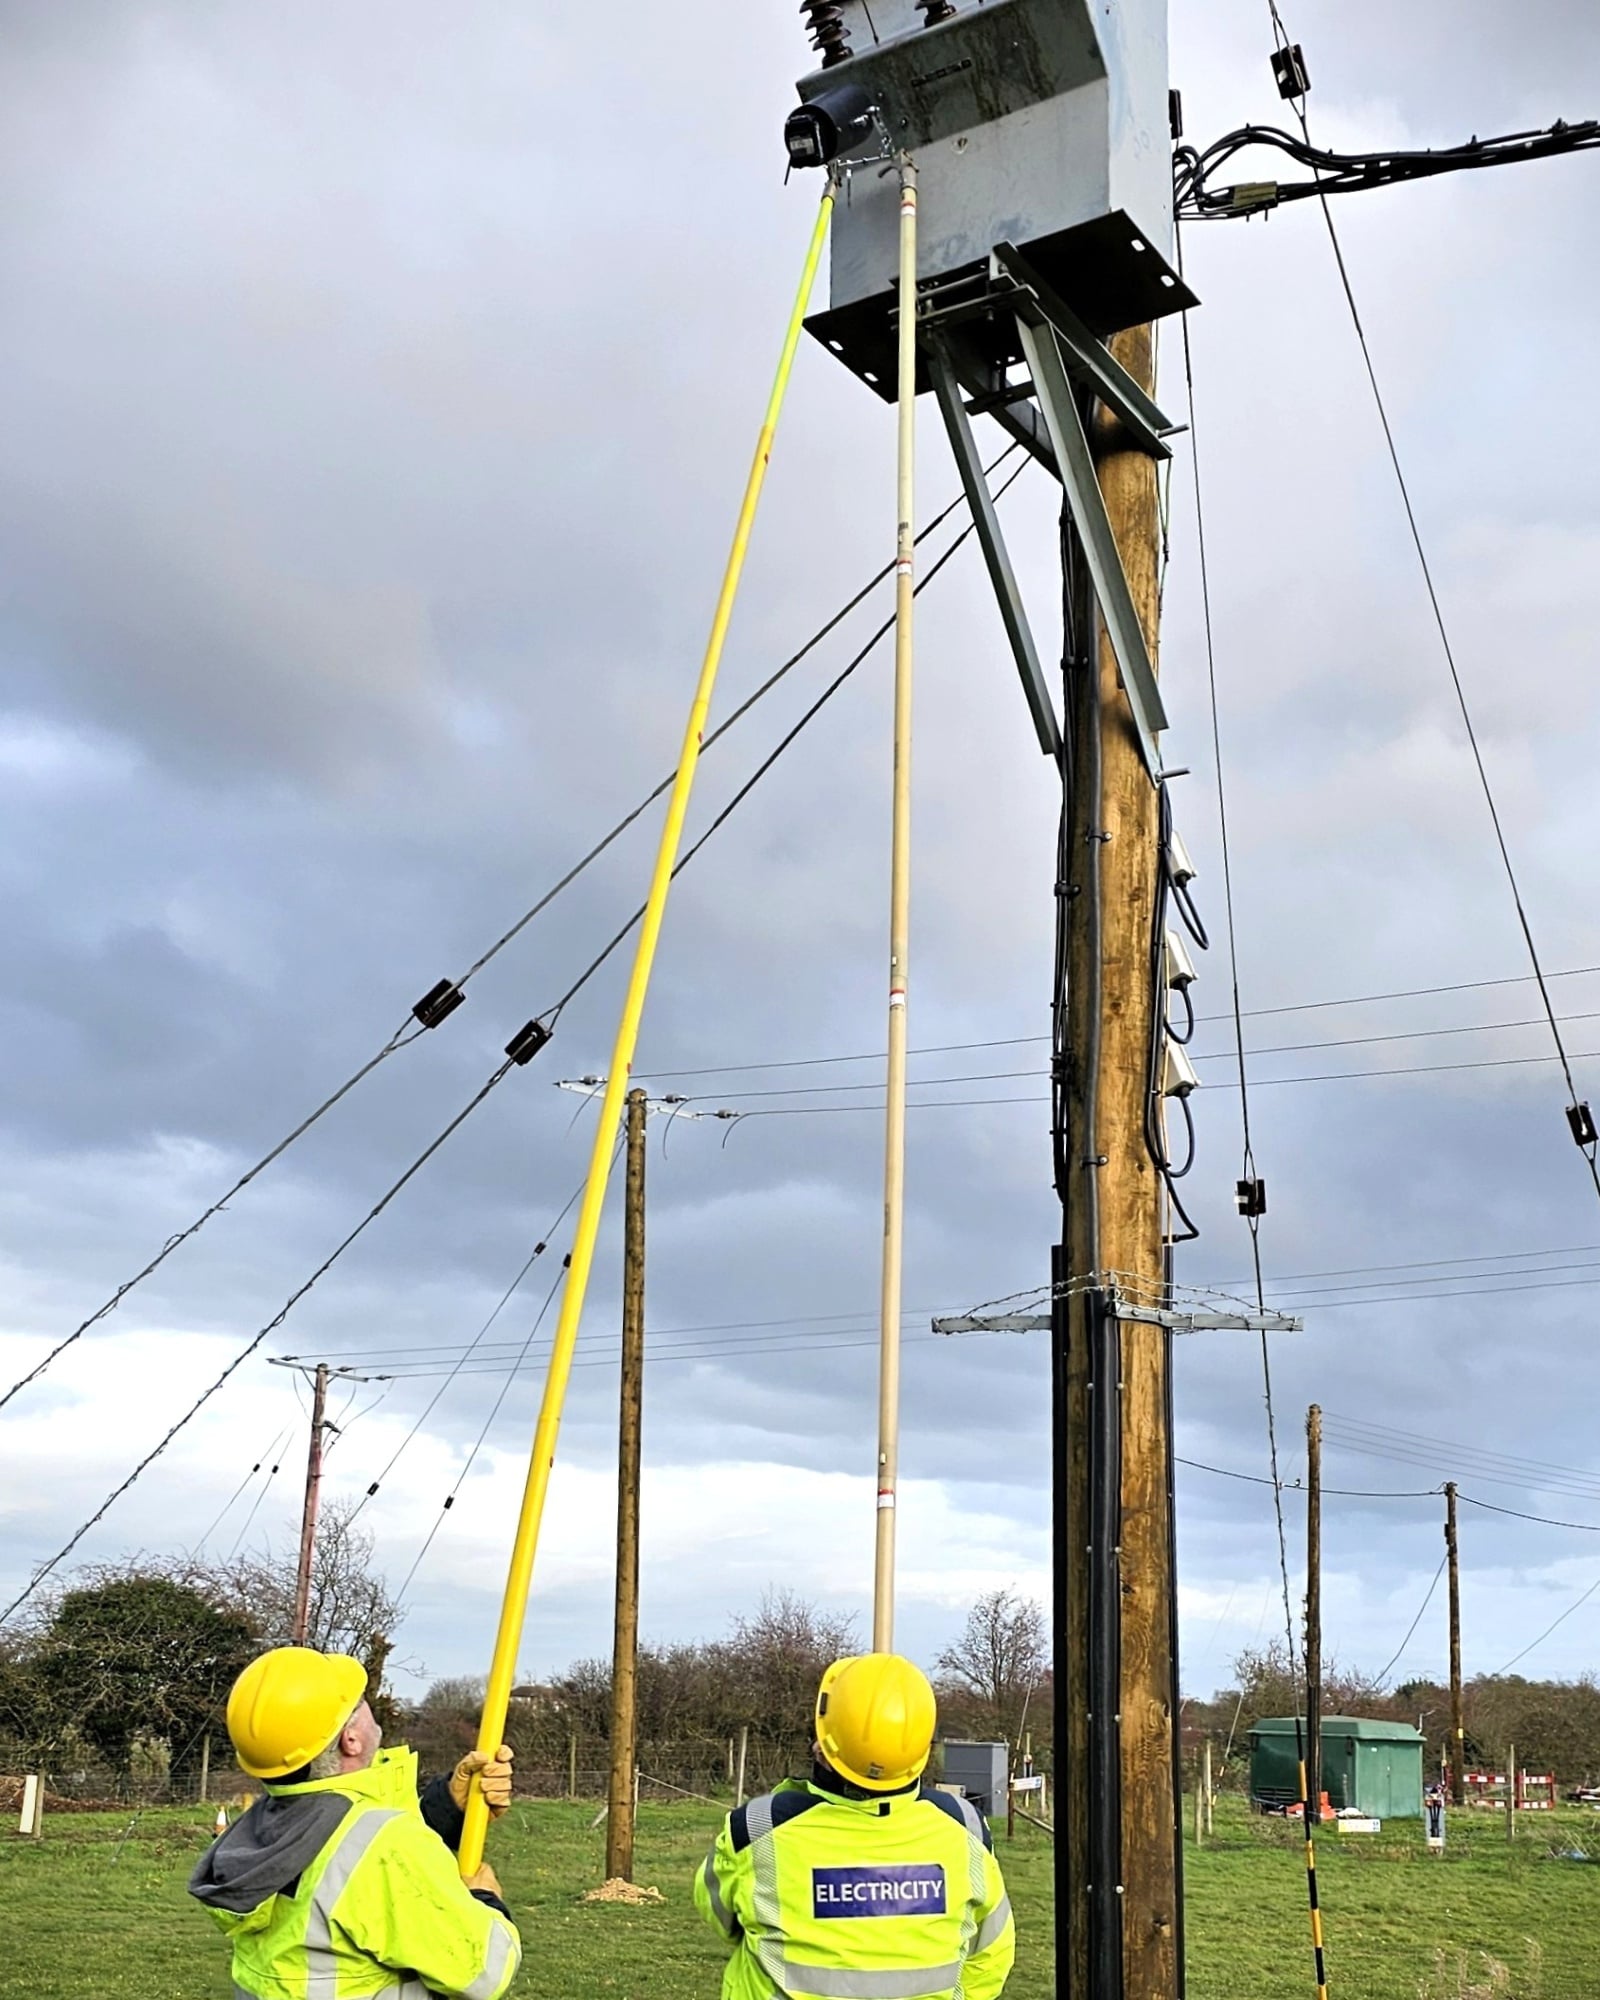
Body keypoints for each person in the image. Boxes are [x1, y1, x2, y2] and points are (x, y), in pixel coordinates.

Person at [189, 1646, 522, 2000]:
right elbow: (485, 1972)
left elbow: (350, 1854)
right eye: (360, 1702)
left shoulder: (259, 1833)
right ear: (351, 1739)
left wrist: (447, 1807)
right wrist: (483, 1898)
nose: (370, 1705)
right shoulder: (386, 1847)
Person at [695, 1653, 1015, 2000]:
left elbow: (721, 1918)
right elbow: (991, 1952)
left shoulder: (758, 1827)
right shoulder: (966, 1828)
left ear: (822, 1744)